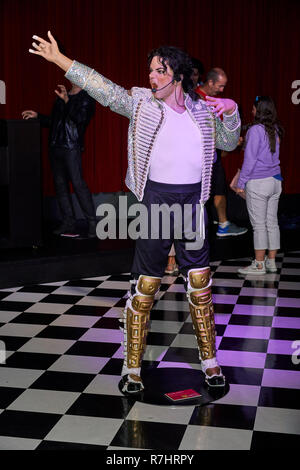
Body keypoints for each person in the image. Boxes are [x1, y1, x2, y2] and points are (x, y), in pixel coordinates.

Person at [29, 32, 241, 395]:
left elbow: (228, 142)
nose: (151, 77)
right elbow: (104, 89)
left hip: (193, 203)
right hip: (157, 200)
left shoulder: (203, 110)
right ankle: (132, 368)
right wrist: (61, 60)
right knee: (146, 285)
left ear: (176, 73)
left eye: (158, 71)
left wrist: (233, 111)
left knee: (200, 284)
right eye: (150, 72)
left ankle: (210, 363)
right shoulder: (142, 103)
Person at [22, 81, 96, 237]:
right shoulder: (62, 95)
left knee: (78, 184)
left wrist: (67, 101)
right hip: (55, 145)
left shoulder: (86, 98)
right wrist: (38, 116)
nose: (71, 78)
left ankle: (92, 223)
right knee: (60, 185)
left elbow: (80, 119)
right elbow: (54, 122)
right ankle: (68, 222)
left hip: (72, 147)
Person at [196, 68, 248, 237]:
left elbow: (219, 131)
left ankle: (223, 225)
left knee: (219, 188)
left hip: (213, 155)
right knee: (197, 194)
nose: (222, 90)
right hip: (197, 157)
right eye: (220, 86)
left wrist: (231, 140)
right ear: (210, 82)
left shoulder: (216, 101)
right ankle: (195, 230)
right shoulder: (194, 98)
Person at [236, 96, 284, 275]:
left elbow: (250, 160)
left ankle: (258, 264)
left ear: (260, 110)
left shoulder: (255, 130)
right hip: (275, 181)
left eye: (254, 108)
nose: (252, 111)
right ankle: (271, 262)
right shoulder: (276, 129)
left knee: (259, 225)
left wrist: (241, 183)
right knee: (272, 223)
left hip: (259, 182)